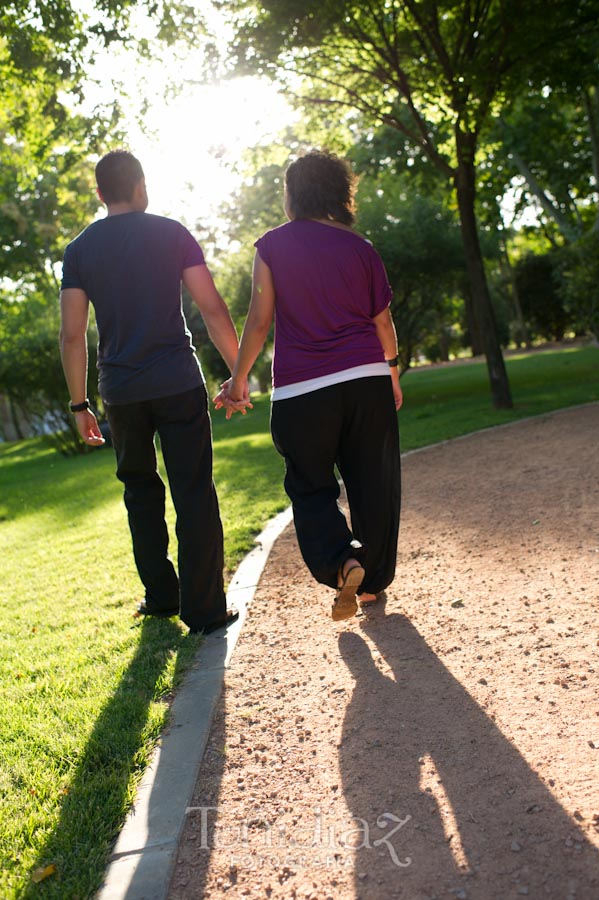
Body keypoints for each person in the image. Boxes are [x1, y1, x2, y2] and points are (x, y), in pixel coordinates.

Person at [59, 149, 244, 634]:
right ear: (141, 185)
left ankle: (162, 598)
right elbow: (213, 309)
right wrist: (238, 374)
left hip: (121, 392)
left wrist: (79, 405)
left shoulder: (79, 251)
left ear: (99, 194)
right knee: (194, 493)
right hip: (178, 384)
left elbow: (72, 335)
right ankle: (204, 611)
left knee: (140, 493)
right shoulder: (172, 233)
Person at [216, 150, 402, 621]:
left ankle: (344, 561)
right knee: (373, 483)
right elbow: (383, 321)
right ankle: (371, 582)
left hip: (303, 391)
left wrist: (237, 381)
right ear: (339, 193)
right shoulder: (362, 248)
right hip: (367, 381)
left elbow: (258, 322)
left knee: (310, 485)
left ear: (294, 195)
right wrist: (392, 374)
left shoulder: (272, 246)